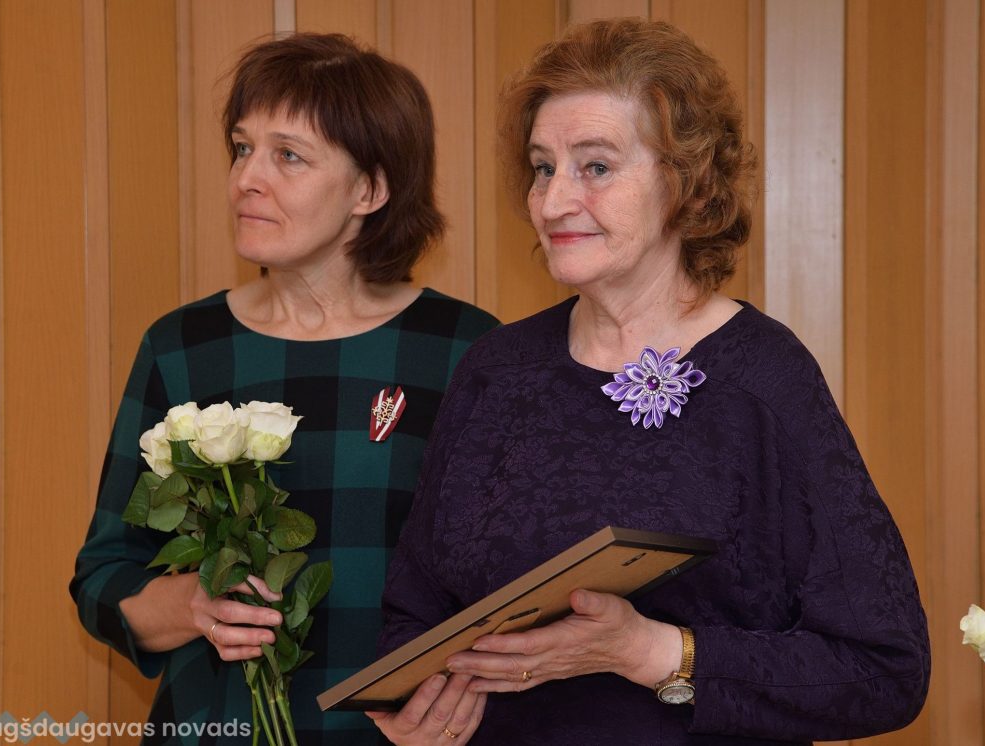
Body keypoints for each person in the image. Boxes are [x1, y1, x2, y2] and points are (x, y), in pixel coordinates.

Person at [373, 18, 930, 746]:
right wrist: (414, 710)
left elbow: (884, 672)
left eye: (595, 167)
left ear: (684, 183)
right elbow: (415, 609)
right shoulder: (496, 370)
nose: (553, 201)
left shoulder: (764, 379)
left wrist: (653, 652)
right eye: (543, 168)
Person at [70, 33, 499, 746]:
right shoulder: (182, 346)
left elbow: (512, 587)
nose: (247, 178)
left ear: (370, 189)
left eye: (288, 156)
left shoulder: (467, 349)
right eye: (242, 148)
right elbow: (102, 577)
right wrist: (191, 604)